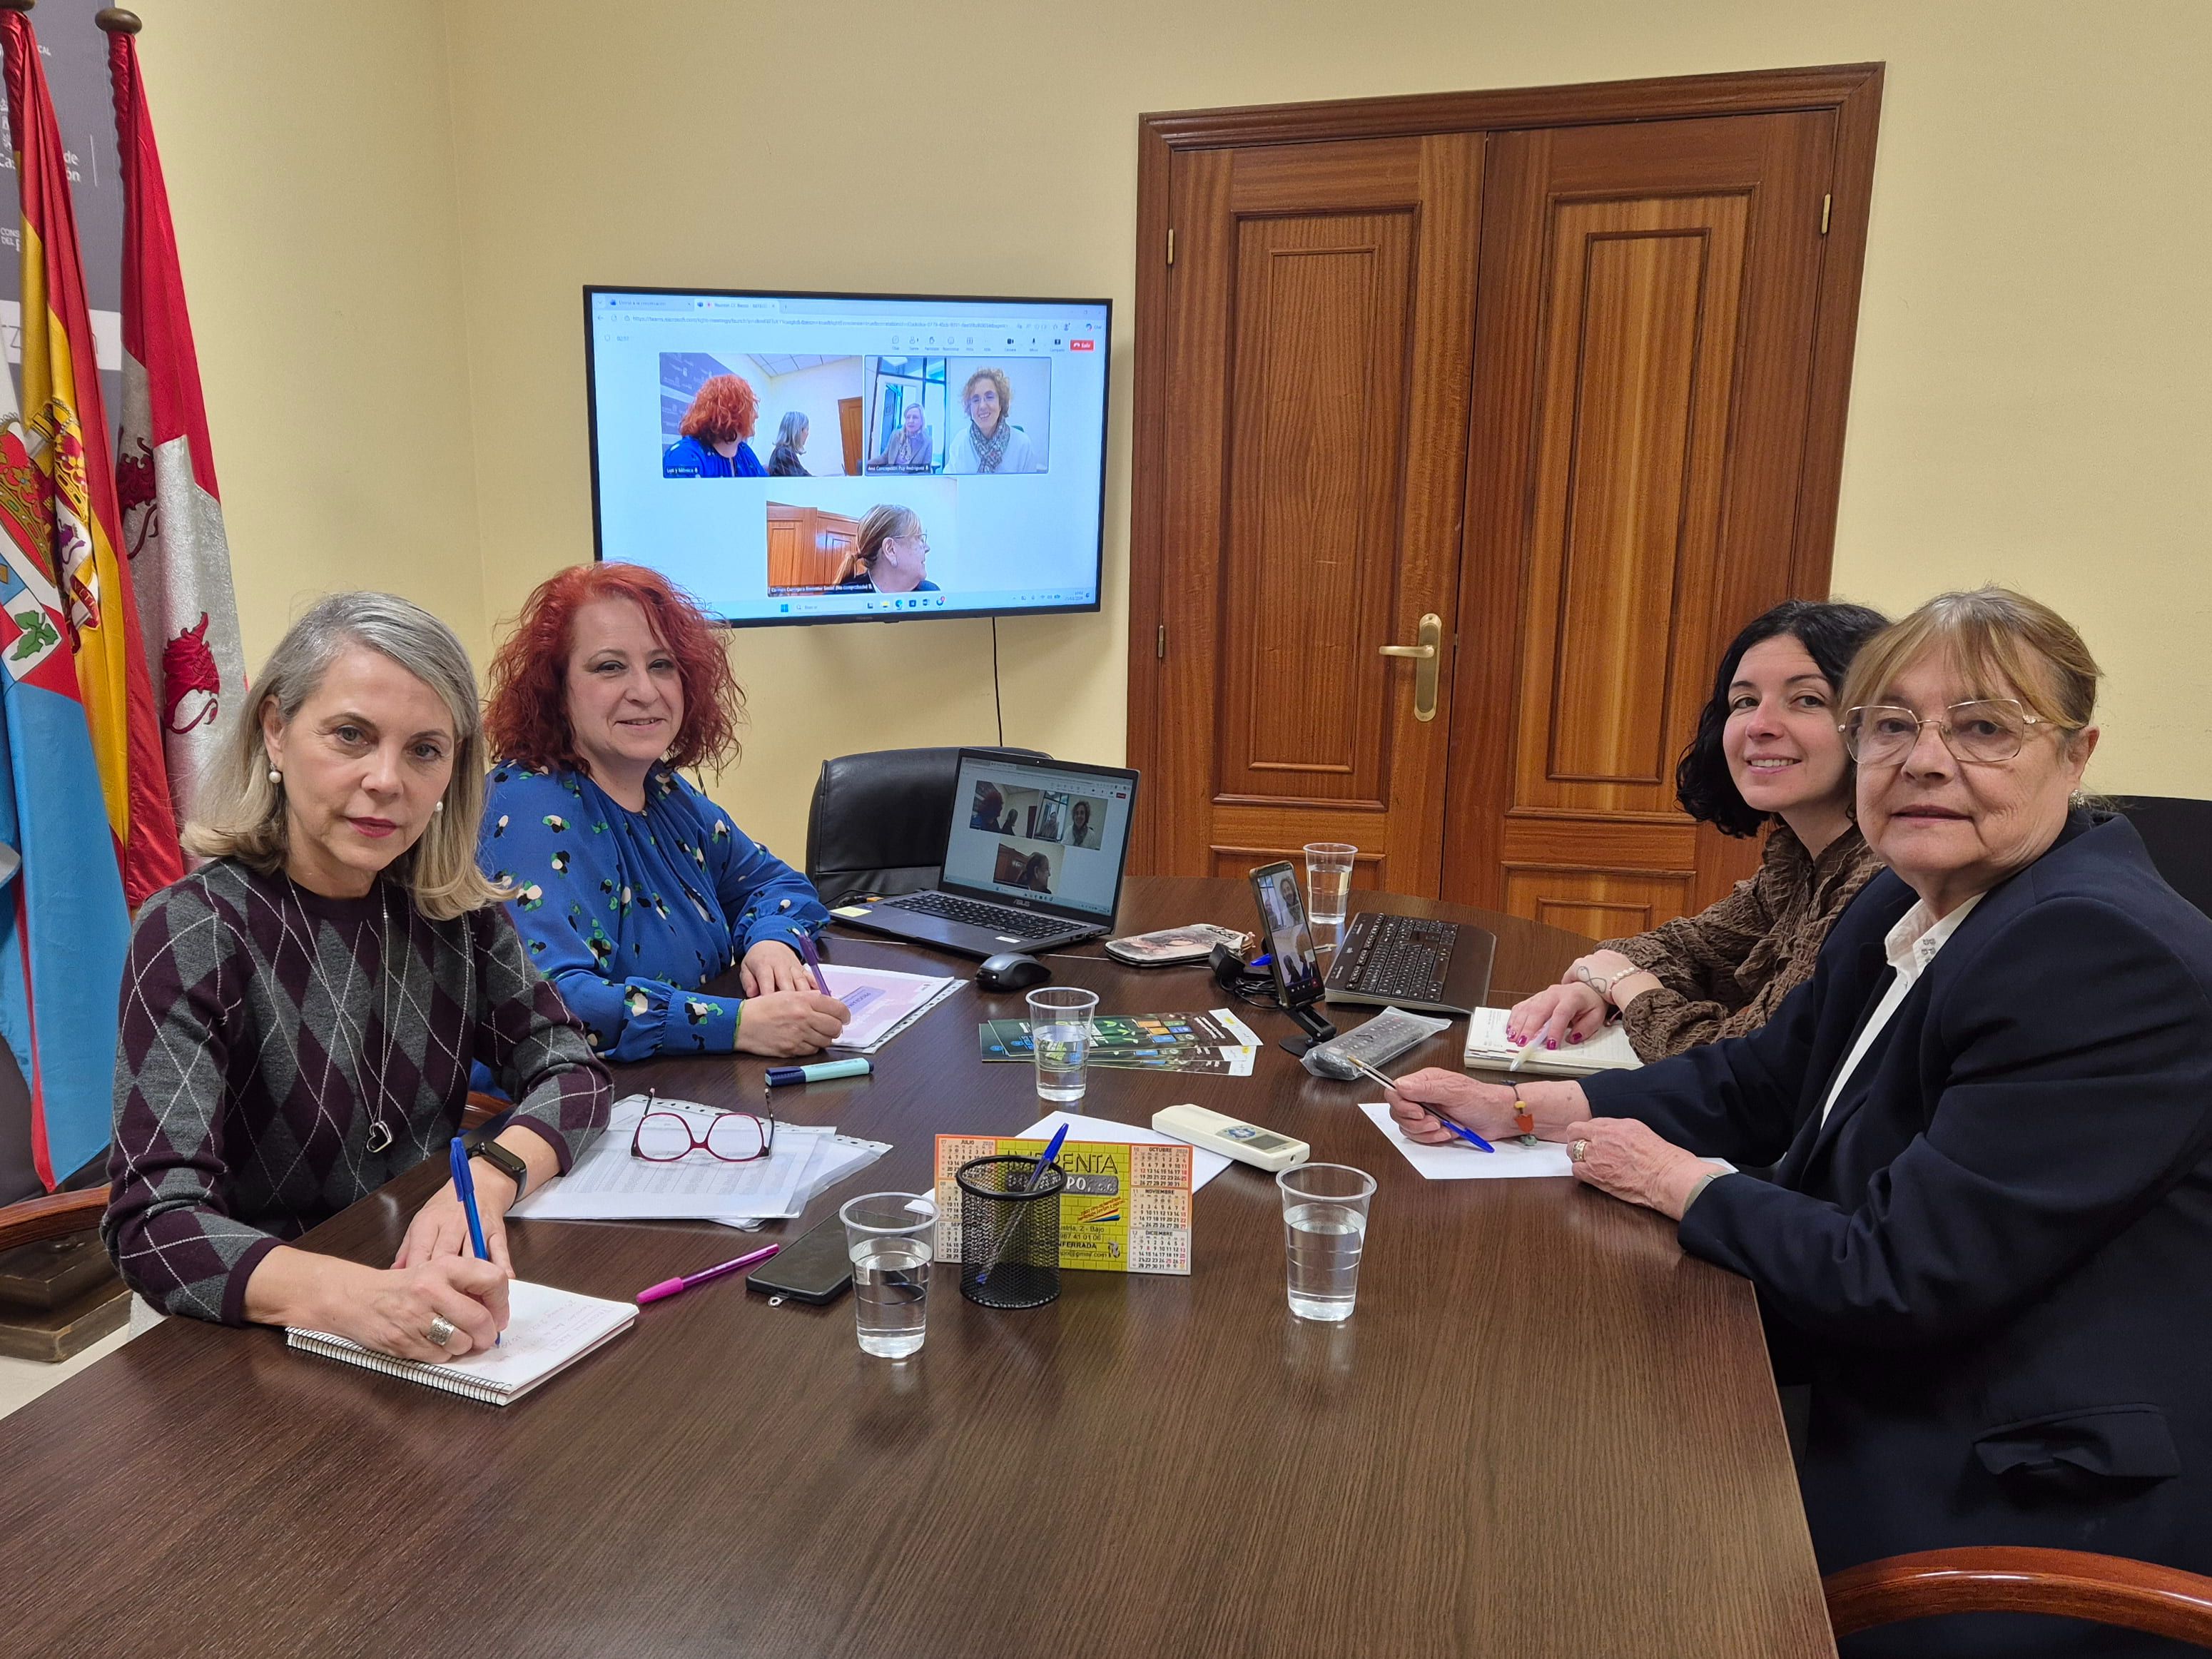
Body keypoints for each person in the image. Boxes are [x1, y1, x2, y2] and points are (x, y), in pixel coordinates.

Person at [1389, 589, 2212, 1656]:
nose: (1923, 760)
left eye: (1983, 727)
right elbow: (1761, 1083)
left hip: (2026, 1487)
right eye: (1891, 725)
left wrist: (1682, 1183)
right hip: (1879, 1362)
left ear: (2077, 752)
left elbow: (1900, 1274)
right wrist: (1529, 1105)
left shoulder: (2099, 954)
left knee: (1572, 1557)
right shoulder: (1910, 895)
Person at [103, 593, 612, 1361]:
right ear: (275, 731)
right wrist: (358, 1300)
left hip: (428, 1287)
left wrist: (493, 1176)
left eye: (424, 750)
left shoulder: (454, 912)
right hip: (255, 1337)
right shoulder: (196, 927)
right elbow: (154, 1224)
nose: (387, 781)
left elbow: (573, 1071)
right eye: (351, 736)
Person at [479, 563, 848, 1062]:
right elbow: (555, 999)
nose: (646, 691)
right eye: (610, 667)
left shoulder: (666, 793)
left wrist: (771, 942)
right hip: (576, 1106)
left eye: (661, 665)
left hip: (689, 1085)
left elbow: (776, 884)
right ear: (556, 688)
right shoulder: (527, 807)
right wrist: (736, 1024)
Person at [1509, 600, 1889, 1060]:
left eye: (1808, 699)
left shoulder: (1880, 877)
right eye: (1745, 702)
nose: (1760, 725)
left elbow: (1745, 1064)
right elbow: (1687, 946)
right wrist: (1600, 983)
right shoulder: (1796, 859)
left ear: (1880, 726)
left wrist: (1626, 986)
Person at [661, 375, 766, 477]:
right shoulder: (683, 456)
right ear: (730, 412)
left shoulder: (745, 451)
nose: (756, 416)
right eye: (750, 410)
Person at [945, 366, 1040, 474]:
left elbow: (1030, 489)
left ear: (1001, 404)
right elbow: (950, 484)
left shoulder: (1023, 445)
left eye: (989, 397)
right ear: (969, 407)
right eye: (976, 400)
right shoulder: (960, 443)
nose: (982, 406)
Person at [835, 504, 939, 594]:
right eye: (918, 538)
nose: (927, 548)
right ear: (890, 550)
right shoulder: (839, 603)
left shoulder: (931, 593)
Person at [871, 402, 933, 471]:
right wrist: (868, 465)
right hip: (891, 476)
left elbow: (926, 470)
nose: (911, 421)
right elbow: (885, 458)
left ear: (922, 422)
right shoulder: (896, 434)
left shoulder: (927, 441)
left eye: (915, 417)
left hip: (911, 479)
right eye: (908, 417)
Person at [766, 410, 811, 477]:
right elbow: (806, 480)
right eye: (807, 429)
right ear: (798, 430)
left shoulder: (781, 452)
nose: (808, 433)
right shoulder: (783, 452)